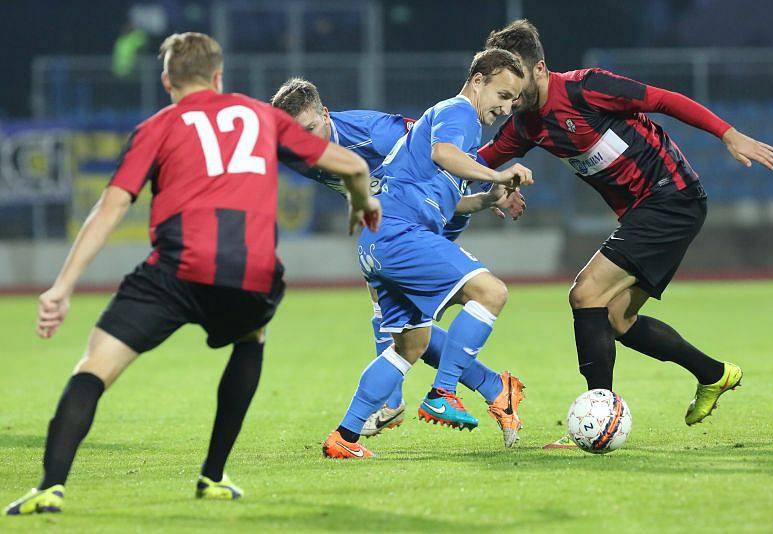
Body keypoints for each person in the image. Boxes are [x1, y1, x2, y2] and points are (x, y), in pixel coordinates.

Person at [4, 32, 380, 516]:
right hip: (252, 271)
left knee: (94, 367)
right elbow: (351, 164)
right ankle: (214, 474)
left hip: (176, 269)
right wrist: (361, 202)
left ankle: (50, 487)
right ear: (219, 77)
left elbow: (111, 207)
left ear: (166, 81)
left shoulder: (158, 127)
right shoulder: (261, 116)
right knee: (251, 338)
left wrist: (62, 285)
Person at [478, 20, 773, 447]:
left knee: (585, 294)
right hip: (649, 210)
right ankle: (714, 374)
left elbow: (664, 99)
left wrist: (727, 134)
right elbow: (477, 160)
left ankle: (597, 416)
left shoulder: (587, 88)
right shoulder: (526, 124)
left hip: (671, 197)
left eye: (518, 84)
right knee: (616, 319)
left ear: (541, 69)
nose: (512, 98)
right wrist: (496, 187)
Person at [271, 78, 526, 438]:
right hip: (388, 228)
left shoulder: (375, 133)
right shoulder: (292, 150)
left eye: (311, 129)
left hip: (422, 220)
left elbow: (436, 145)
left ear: (325, 115)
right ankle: (491, 389)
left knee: (434, 315)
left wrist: (486, 188)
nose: (307, 142)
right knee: (409, 335)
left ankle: (405, 401)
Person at [321, 48, 534, 459]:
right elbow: (444, 155)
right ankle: (444, 392)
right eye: (502, 95)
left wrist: (489, 198)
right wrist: (499, 172)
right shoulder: (460, 114)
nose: (506, 108)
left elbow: (445, 201)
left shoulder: (448, 129)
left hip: (377, 240)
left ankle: (344, 439)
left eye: (512, 102)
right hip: (400, 233)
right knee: (491, 292)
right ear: (478, 80)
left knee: (410, 345)